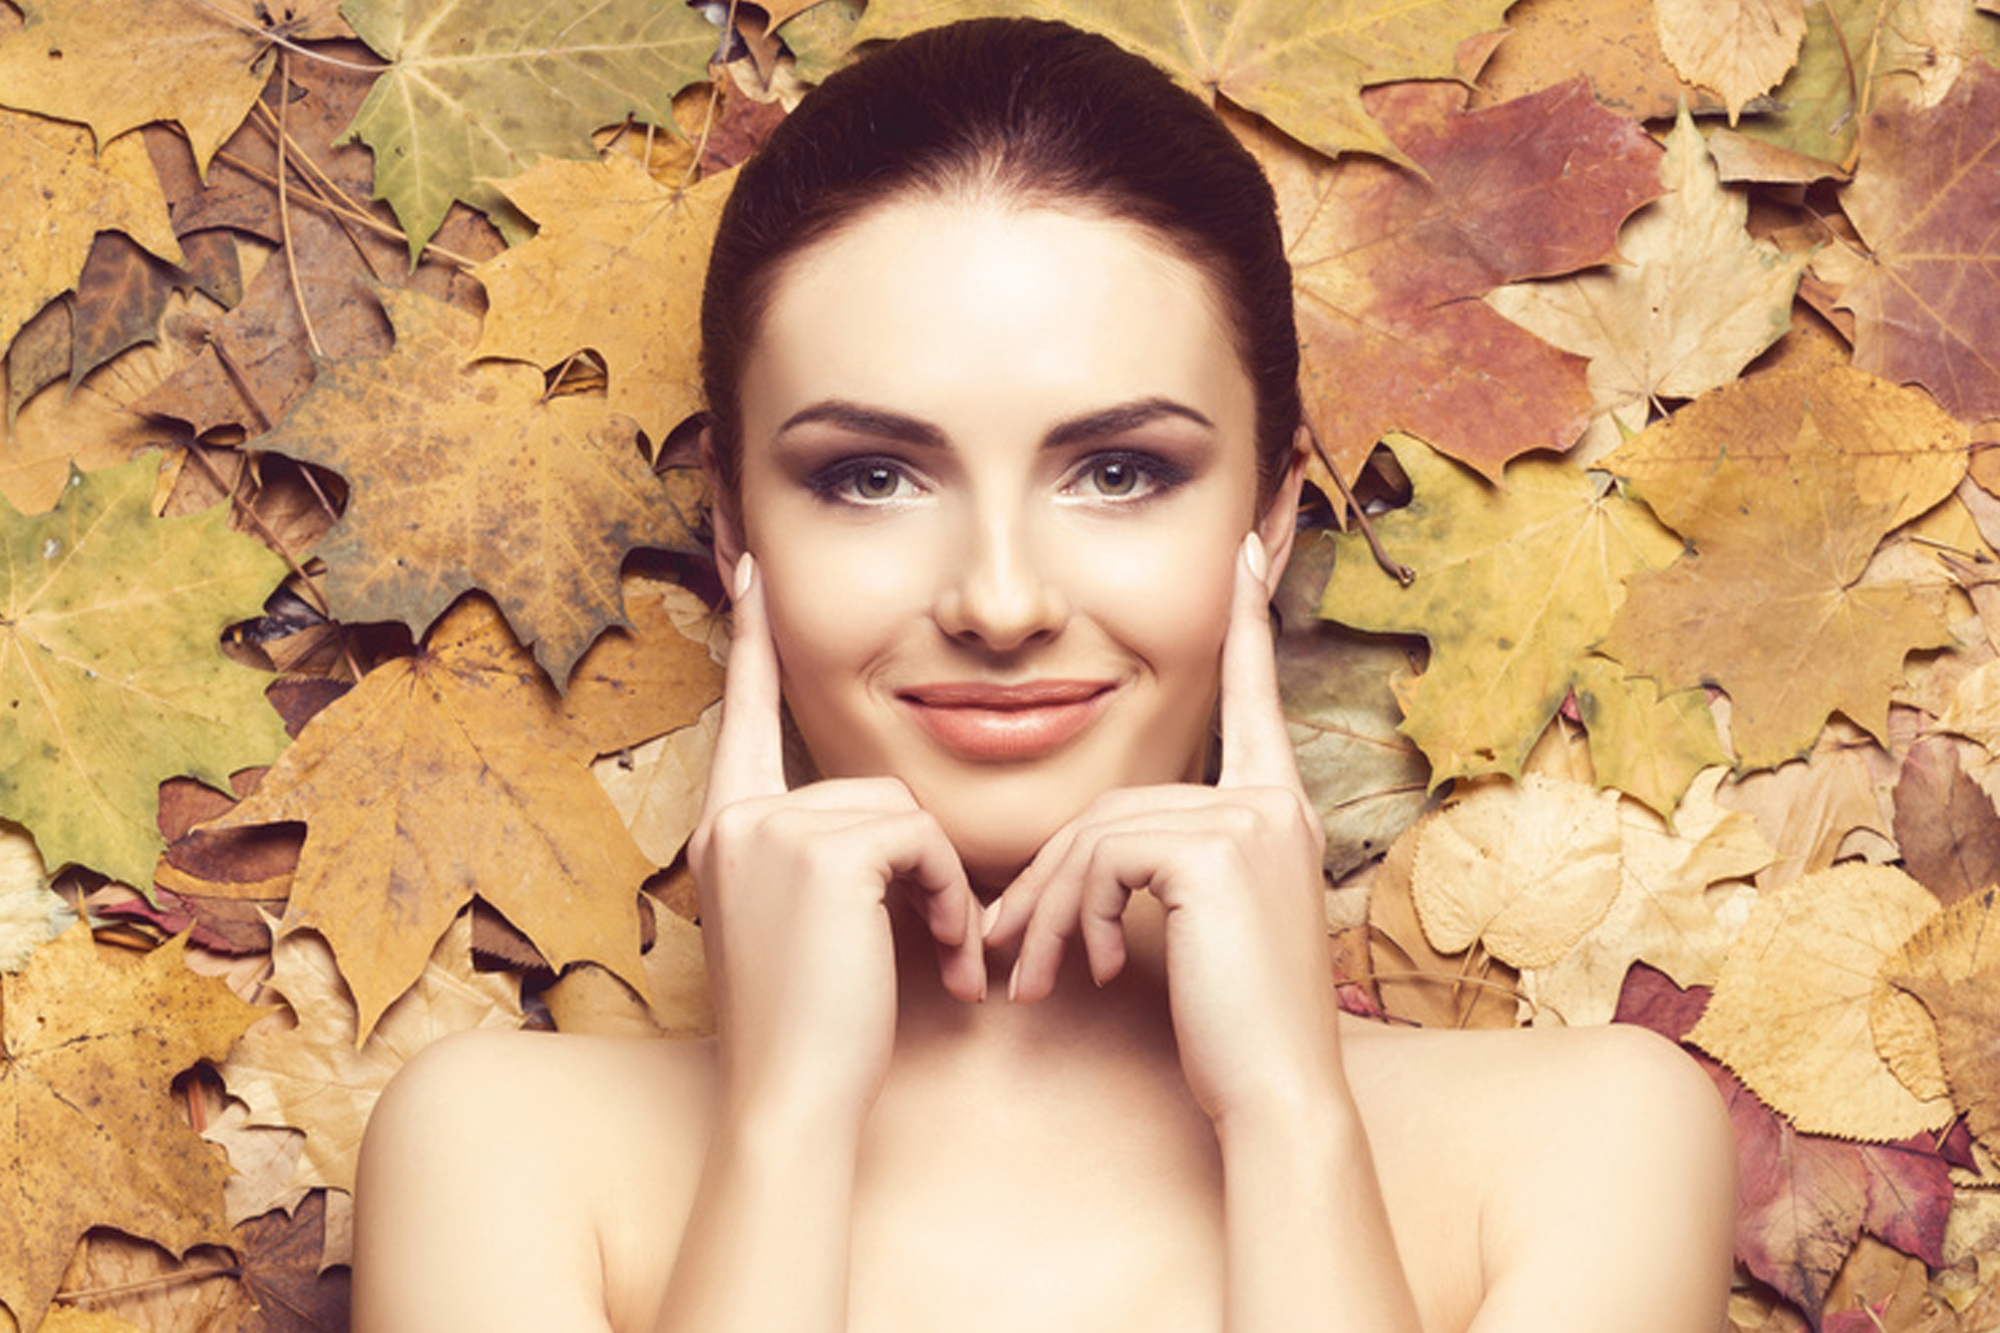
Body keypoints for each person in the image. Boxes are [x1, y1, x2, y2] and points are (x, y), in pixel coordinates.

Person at [352, 18, 1737, 1333]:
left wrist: (1291, 1123)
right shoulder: (501, 1156)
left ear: (1268, 519)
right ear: (735, 527)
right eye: (871, 476)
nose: (1000, 601)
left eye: (1120, 471)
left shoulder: (1586, 1146)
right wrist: (782, 1132)